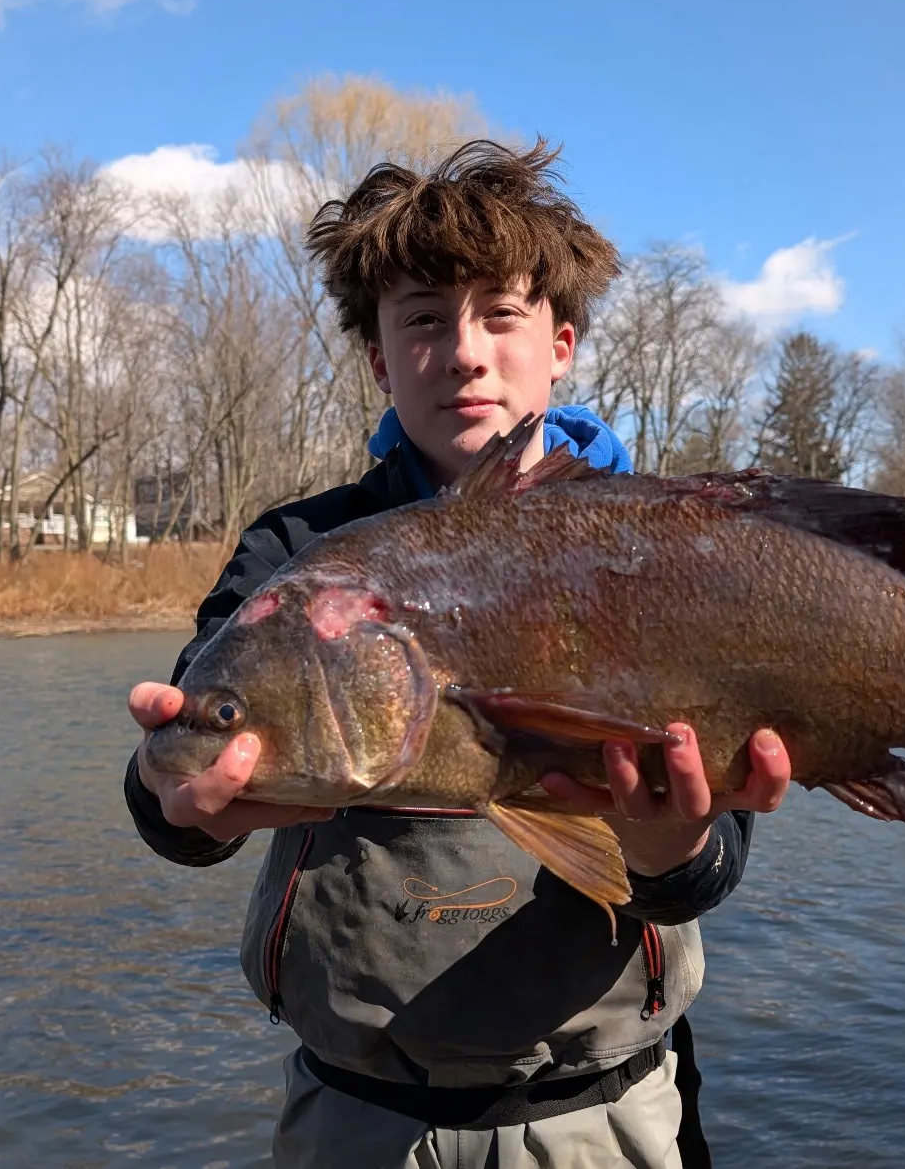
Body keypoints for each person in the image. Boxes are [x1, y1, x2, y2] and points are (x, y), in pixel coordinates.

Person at [125, 139, 791, 1168]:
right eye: (425, 320)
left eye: (501, 315)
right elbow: (187, 746)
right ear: (382, 361)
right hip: (353, 1116)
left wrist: (670, 858)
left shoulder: (661, 550)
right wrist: (172, 805)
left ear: (560, 342)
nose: (466, 351)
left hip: (602, 1118)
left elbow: (717, 856)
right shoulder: (295, 554)